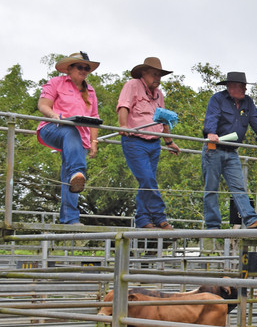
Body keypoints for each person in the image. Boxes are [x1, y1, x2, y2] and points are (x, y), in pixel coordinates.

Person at [202, 71, 257, 229]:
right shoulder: (217, 99)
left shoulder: (248, 103)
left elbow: (256, 121)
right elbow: (212, 116)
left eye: (245, 86)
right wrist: (211, 132)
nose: (244, 89)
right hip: (213, 149)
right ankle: (213, 226)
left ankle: (251, 220)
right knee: (211, 188)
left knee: (239, 187)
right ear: (231, 87)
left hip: (232, 151)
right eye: (241, 86)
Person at [36, 52, 101, 225]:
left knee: (72, 177)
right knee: (72, 138)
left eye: (87, 68)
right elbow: (43, 105)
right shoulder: (56, 82)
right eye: (80, 67)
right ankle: (77, 173)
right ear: (69, 68)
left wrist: (94, 142)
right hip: (53, 128)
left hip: (80, 138)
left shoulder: (91, 90)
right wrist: (55, 116)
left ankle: (70, 219)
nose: (84, 70)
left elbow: (94, 117)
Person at [116, 57, 180, 230]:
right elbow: (123, 106)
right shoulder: (132, 85)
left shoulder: (159, 94)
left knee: (147, 182)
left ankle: (143, 219)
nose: (157, 79)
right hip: (135, 141)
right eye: (154, 74)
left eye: (159, 75)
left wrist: (169, 142)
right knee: (147, 179)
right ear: (143, 73)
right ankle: (160, 216)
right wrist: (123, 125)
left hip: (154, 143)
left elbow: (163, 118)